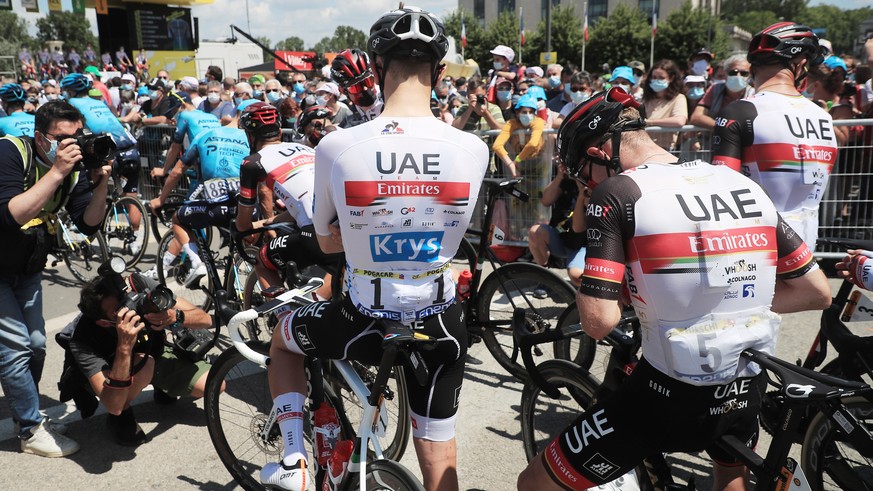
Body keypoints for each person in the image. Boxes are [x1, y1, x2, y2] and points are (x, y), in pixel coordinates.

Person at [516, 86, 832, 491]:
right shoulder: (739, 183)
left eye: (585, 178)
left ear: (599, 155)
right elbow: (815, 291)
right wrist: (718, 306)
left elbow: (598, 321)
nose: (589, 187)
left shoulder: (619, 193)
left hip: (666, 397)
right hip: (745, 382)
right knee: (730, 475)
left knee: (533, 483)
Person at [261, 7, 489, 491]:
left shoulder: (337, 145)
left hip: (364, 316)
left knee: (281, 337)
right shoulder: (472, 147)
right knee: (440, 455)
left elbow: (326, 240)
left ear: (376, 69)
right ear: (441, 72)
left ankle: (294, 459)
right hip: (441, 319)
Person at [0, 100, 111, 457]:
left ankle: (24, 414)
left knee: (35, 344)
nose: (72, 145)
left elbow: (87, 224)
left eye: (77, 136)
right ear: (39, 137)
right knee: (15, 347)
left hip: (24, 269)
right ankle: (31, 430)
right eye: (62, 138)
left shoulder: (74, 170)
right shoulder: (9, 152)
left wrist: (100, 185)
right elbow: (11, 215)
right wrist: (58, 172)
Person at [712, 22, 837, 250]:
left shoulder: (739, 112)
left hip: (757, 245)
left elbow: (722, 189)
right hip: (806, 245)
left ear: (753, 68)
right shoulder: (825, 118)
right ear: (801, 66)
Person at [61, 270, 213, 446]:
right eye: (120, 309)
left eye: (127, 297)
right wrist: (124, 347)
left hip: (152, 351)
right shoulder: (83, 338)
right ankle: (122, 416)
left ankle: (162, 386)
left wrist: (174, 316)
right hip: (113, 371)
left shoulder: (138, 285)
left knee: (211, 383)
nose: (131, 307)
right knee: (142, 368)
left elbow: (206, 319)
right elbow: (112, 404)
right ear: (104, 322)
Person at [234, 102, 339, 301]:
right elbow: (304, 201)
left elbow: (242, 225)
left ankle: (284, 322)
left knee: (260, 260)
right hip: (343, 227)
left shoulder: (252, 163)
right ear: (280, 130)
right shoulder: (305, 149)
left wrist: (244, 227)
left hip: (315, 235)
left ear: (249, 136)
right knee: (331, 287)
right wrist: (268, 222)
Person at [147, 101, 251, 283]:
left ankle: (193, 263)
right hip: (245, 205)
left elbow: (178, 170)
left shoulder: (205, 133)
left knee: (179, 218)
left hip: (213, 200)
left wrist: (161, 199)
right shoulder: (252, 139)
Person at [61, 73, 144, 250]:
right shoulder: (99, 103)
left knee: (90, 188)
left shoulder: (72, 104)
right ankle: (135, 240)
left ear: (70, 91)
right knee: (131, 196)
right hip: (130, 148)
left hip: (109, 151)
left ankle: (89, 225)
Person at [526, 162, 588, 282]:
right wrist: (560, 176)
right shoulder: (566, 181)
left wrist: (581, 190)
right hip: (560, 238)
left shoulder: (589, 186)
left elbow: (578, 228)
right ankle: (545, 278)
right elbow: (545, 200)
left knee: (577, 277)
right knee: (535, 232)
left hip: (581, 245)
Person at [151, 91, 220, 180]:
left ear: (183, 105)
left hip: (204, 159)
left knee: (175, 175)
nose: (174, 114)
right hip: (219, 155)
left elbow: (175, 147)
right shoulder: (211, 116)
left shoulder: (184, 115)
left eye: (174, 110)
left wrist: (164, 170)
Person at [493, 95, 545, 178]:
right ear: (517, 113)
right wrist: (511, 165)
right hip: (518, 168)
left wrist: (518, 160)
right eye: (524, 112)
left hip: (539, 166)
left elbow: (533, 144)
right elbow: (497, 146)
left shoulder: (538, 122)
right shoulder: (511, 123)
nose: (528, 115)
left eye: (531, 112)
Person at [330, 48, 384, 126]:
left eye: (368, 81)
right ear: (343, 91)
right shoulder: (347, 122)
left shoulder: (390, 100)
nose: (365, 88)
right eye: (356, 87)